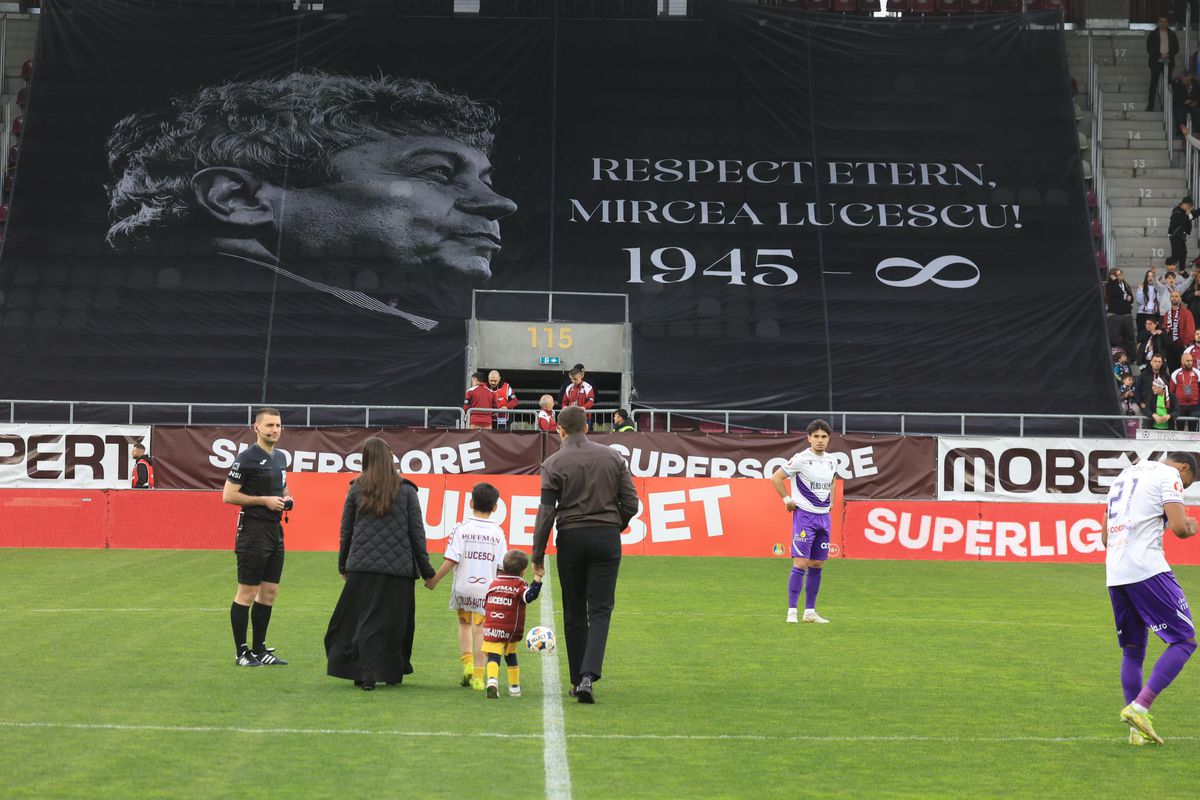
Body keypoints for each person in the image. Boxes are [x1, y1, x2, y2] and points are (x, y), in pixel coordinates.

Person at [106, 72, 518, 327]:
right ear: (238, 198)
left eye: (484, 179)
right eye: (438, 172)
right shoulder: (371, 341)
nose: (501, 203)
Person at [532, 406, 640, 704]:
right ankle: (589, 676)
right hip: (606, 537)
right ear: (587, 427)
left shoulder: (553, 463)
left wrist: (537, 554)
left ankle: (578, 678)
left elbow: (546, 512)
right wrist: (616, 525)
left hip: (571, 537)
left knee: (574, 611)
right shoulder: (613, 457)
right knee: (601, 610)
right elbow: (631, 503)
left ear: (560, 430)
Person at [1103, 451, 1198, 745]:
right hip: (1147, 569)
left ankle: (1136, 732)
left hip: (1116, 572)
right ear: (1183, 467)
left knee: (1133, 651)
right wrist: (1192, 525)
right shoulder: (1168, 475)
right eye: (1187, 482)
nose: (1183, 487)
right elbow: (1181, 528)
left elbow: (1105, 538)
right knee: (1184, 640)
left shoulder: (1124, 475)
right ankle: (1139, 707)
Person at [325, 438, 435, 691]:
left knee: (360, 620)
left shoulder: (356, 488)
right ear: (390, 458)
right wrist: (427, 572)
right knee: (395, 624)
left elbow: (346, 531)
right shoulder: (407, 490)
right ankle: (391, 671)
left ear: (366, 459)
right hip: (398, 572)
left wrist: (344, 565)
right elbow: (417, 534)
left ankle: (363, 671)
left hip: (362, 568)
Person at [222, 407, 293, 667]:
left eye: (278, 425)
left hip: (275, 531)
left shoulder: (282, 457)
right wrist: (263, 500)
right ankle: (242, 653)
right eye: (270, 425)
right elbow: (228, 495)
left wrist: (287, 497)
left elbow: (282, 485)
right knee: (247, 592)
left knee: (270, 592)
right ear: (257, 428)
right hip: (253, 531)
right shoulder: (246, 459)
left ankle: (260, 649)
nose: (275, 430)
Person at [425, 482, 507, 691]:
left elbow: (452, 558)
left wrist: (434, 580)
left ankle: (467, 664)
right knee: (480, 629)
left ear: (471, 503)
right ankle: (479, 677)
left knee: (464, 624)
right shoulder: (498, 533)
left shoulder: (461, 529)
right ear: (495, 508)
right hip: (485, 589)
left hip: (463, 587)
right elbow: (501, 567)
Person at [770, 419, 839, 625]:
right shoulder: (800, 459)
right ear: (809, 438)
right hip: (804, 516)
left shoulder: (832, 461)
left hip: (823, 517)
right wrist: (787, 499)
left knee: (817, 563)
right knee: (800, 562)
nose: (820, 440)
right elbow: (776, 478)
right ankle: (792, 611)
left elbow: (833, 480)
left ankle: (810, 612)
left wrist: (832, 501)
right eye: (816, 436)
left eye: (824, 437)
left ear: (828, 439)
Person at [481, 549, 543, 699]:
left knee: (493, 657)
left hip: (491, 627)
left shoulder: (493, 583)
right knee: (511, 656)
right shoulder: (519, 585)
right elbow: (530, 596)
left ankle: (492, 682)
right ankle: (514, 688)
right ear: (523, 571)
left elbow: (485, 603)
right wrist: (538, 577)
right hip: (510, 629)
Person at [1147, 17, 1180, 112]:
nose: (1163, 23)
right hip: (1156, 61)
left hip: (1168, 61)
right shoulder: (1153, 34)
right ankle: (1151, 104)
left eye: (1165, 21)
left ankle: (1167, 105)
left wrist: (1168, 55)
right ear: (1158, 22)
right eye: (1161, 21)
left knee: (1168, 84)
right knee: (1153, 83)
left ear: (1167, 23)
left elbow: (1176, 48)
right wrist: (1159, 55)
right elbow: (1149, 48)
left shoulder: (1172, 34)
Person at [1105, 268, 1136, 360]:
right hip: (1115, 315)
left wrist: (1130, 298)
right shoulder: (1110, 285)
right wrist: (1114, 281)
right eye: (1118, 275)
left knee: (1130, 337)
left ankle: (1131, 358)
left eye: (1121, 274)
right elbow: (1117, 292)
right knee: (1114, 338)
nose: (1121, 276)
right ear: (1113, 276)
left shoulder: (1125, 284)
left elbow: (1130, 297)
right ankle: (1115, 357)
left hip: (1126, 314)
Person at [1163, 289, 1196, 370]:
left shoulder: (1186, 313)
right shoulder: (1167, 314)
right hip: (1170, 348)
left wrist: (1185, 344)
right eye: (1172, 296)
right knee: (1171, 370)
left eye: (1176, 296)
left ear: (1180, 298)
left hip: (1182, 346)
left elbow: (1190, 330)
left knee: (1182, 370)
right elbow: (1165, 328)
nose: (1174, 298)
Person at [1172, 351, 1200, 428]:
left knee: (1193, 429)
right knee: (1180, 428)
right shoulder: (1176, 373)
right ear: (1182, 361)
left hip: (1194, 406)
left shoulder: (1197, 373)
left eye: (1191, 361)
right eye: (1188, 361)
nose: (1190, 362)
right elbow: (1172, 390)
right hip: (1180, 405)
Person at [1135, 267, 1166, 332]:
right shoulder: (1142, 287)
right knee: (1142, 335)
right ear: (1146, 278)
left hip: (1154, 314)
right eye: (1148, 276)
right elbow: (1139, 302)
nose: (1150, 278)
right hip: (1143, 314)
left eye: (1152, 276)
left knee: (1153, 335)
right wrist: (1140, 290)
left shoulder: (1158, 288)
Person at [1168, 197, 1195, 267]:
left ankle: (1181, 270)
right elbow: (1179, 222)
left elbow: (1191, 217)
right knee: (1176, 254)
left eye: (1190, 207)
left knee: (1183, 253)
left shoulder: (1186, 212)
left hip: (1181, 235)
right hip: (1174, 235)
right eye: (1188, 206)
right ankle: (1169, 267)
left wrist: (1189, 214)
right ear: (1183, 204)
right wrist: (1187, 214)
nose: (1189, 208)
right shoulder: (1177, 211)